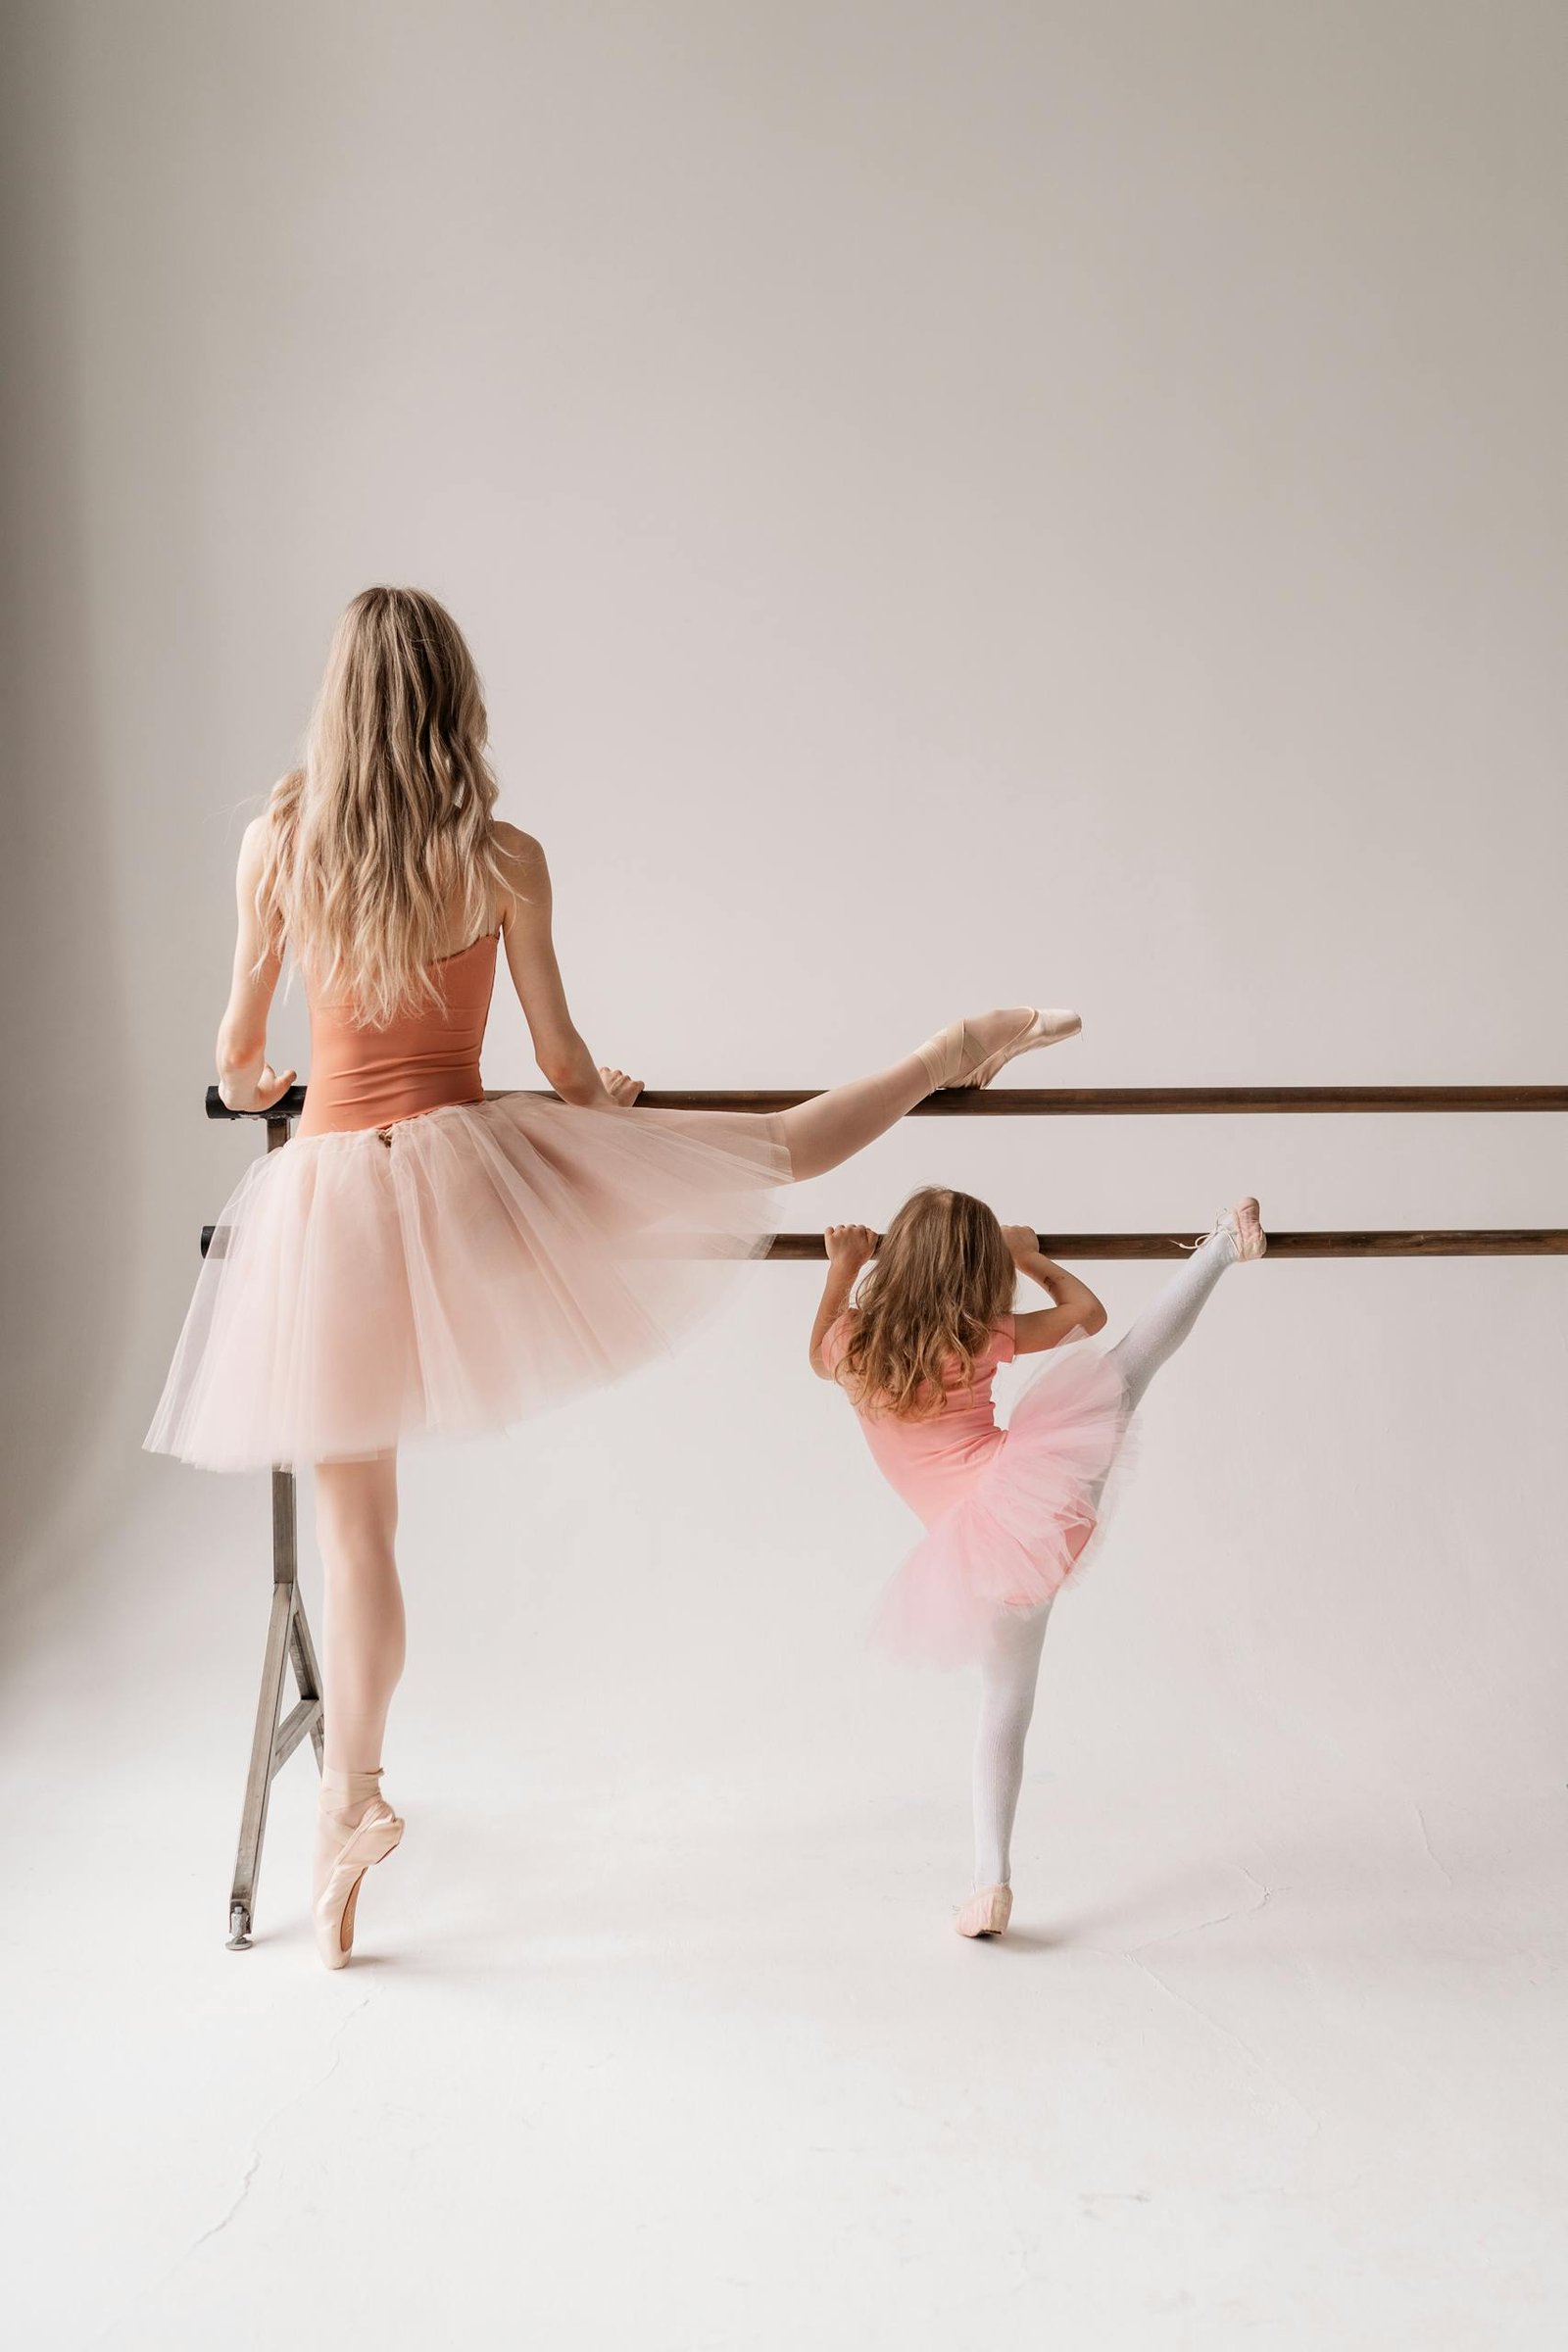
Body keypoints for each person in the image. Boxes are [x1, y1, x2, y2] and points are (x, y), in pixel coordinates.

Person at [146, 584, 1083, 1969]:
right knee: (763, 1148)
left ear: (338, 701)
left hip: (339, 1198)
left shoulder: (277, 844)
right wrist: (606, 1099)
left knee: (358, 1533)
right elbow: (570, 1067)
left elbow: (236, 1055)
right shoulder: (504, 856)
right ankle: (949, 1050)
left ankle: (352, 1812)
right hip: (467, 1179)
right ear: (453, 699)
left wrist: (268, 1078)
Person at [810, 1186, 1265, 1937]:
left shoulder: (852, 1346)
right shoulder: (981, 1334)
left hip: (973, 1559)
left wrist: (843, 1262)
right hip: (1030, 1503)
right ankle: (1223, 1245)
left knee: (1003, 1710)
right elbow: (1089, 1313)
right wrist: (1029, 1257)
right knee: (1125, 1371)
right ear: (974, 1271)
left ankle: (991, 1883)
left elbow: (817, 1343)